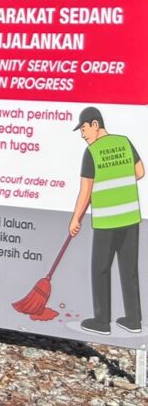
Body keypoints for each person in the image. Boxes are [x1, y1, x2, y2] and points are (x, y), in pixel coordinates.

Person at [68, 107, 143, 335]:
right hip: (130, 217)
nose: (83, 135)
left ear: (95, 124)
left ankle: (102, 322)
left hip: (107, 221)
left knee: (100, 269)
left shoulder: (92, 152)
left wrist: (75, 220)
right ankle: (133, 320)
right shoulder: (124, 142)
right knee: (129, 270)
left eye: (83, 129)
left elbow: (85, 192)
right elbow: (139, 172)